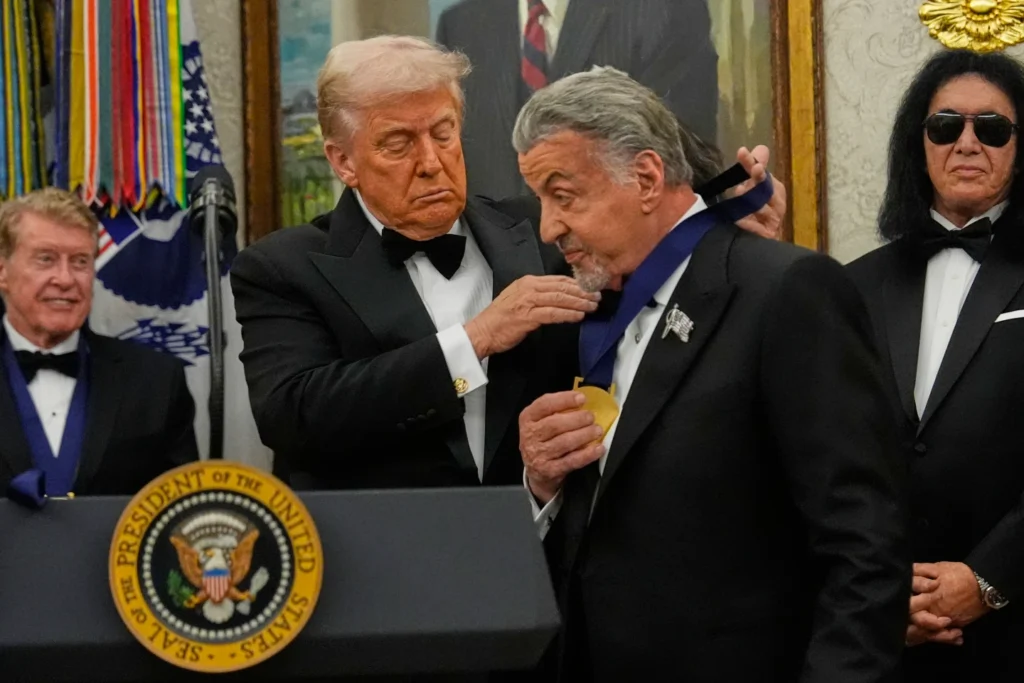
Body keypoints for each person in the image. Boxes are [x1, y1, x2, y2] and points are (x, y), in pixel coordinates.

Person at [230, 35, 780, 493]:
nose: (431, 162)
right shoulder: (282, 267)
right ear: (343, 160)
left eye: (443, 133)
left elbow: (655, 299)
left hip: (548, 567)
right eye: (398, 144)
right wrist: (475, 340)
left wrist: (723, 237)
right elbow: (294, 415)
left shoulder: (546, 233)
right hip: (379, 573)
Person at [515, 67, 909, 681]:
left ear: (646, 177)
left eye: (563, 196)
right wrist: (541, 485)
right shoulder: (578, 307)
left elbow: (864, 545)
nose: (548, 227)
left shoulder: (785, 293)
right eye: (541, 202)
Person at [846, 49, 1024, 683]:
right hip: (880, 634)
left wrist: (989, 579)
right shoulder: (851, 287)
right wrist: (882, 593)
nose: (967, 142)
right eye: (945, 125)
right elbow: (828, 459)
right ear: (917, 144)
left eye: (993, 128)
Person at [0, 188, 198, 497]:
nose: (65, 279)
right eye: (45, 259)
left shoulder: (157, 382)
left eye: (80, 262)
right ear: (3, 271)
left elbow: (177, 516)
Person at [436, 0, 718, 199]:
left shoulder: (666, 9)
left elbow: (686, 158)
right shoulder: (461, 24)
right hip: (498, 272)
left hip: (625, 266)